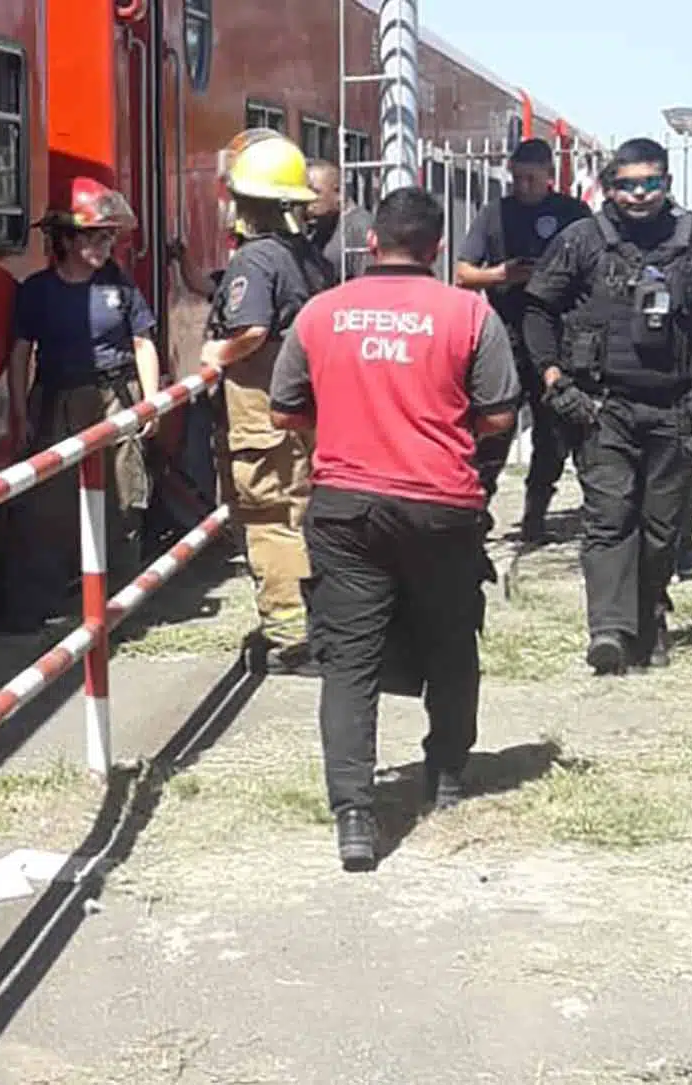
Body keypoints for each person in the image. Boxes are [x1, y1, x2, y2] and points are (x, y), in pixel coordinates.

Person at [269, 186, 520, 871]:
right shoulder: (469, 313)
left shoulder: (322, 313)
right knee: (449, 641)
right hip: (442, 505)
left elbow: (285, 409)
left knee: (348, 660)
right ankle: (444, 776)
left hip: (346, 506)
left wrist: (349, 420)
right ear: (438, 249)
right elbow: (500, 412)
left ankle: (354, 814)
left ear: (371, 243)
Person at [524, 138, 692, 676]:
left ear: (667, 184)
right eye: (627, 184)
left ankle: (649, 616)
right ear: (609, 188)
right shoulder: (582, 241)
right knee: (609, 517)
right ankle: (608, 631)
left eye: (649, 183)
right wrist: (554, 377)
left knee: (662, 527)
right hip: (601, 406)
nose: (638, 194)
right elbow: (538, 310)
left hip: (674, 406)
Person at [201, 130, 337, 676]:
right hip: (302, 404)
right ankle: (317, 624)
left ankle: (289, 636)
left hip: (260, 408)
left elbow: (252, 328)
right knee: (301, 510)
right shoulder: (307, 259)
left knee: (266, 518)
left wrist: (218, 351)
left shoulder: (254, 261)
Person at [4, 177, 162, 626]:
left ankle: (124, 609)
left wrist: (149, 403)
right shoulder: (36, 291)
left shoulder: (121, 286)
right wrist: (20, 412)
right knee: (47, 508)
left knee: (125, 499)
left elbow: (142, 343)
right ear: (67, 240)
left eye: (109, 236)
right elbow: (20, 354)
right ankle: (39, 609)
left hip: (115, 398)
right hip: (56, 402)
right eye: (95, 236)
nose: (105, 245)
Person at [454, 137, 593, 541]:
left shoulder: (573, 213)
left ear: (549, 176)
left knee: (552, 433)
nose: (523, 187)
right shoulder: (495, 213)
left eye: (531, 179)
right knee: (492, 427)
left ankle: (536, 515)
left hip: (556, 338)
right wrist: (503, 274)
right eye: (516, 179)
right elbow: (464, 274)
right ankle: (475, 513)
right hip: (506, 337)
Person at [305, 158, 374, 280]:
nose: (308, 199)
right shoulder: (321, 225)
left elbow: (368, 282)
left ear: (339, 192)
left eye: (315, 192)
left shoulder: (360, 228)